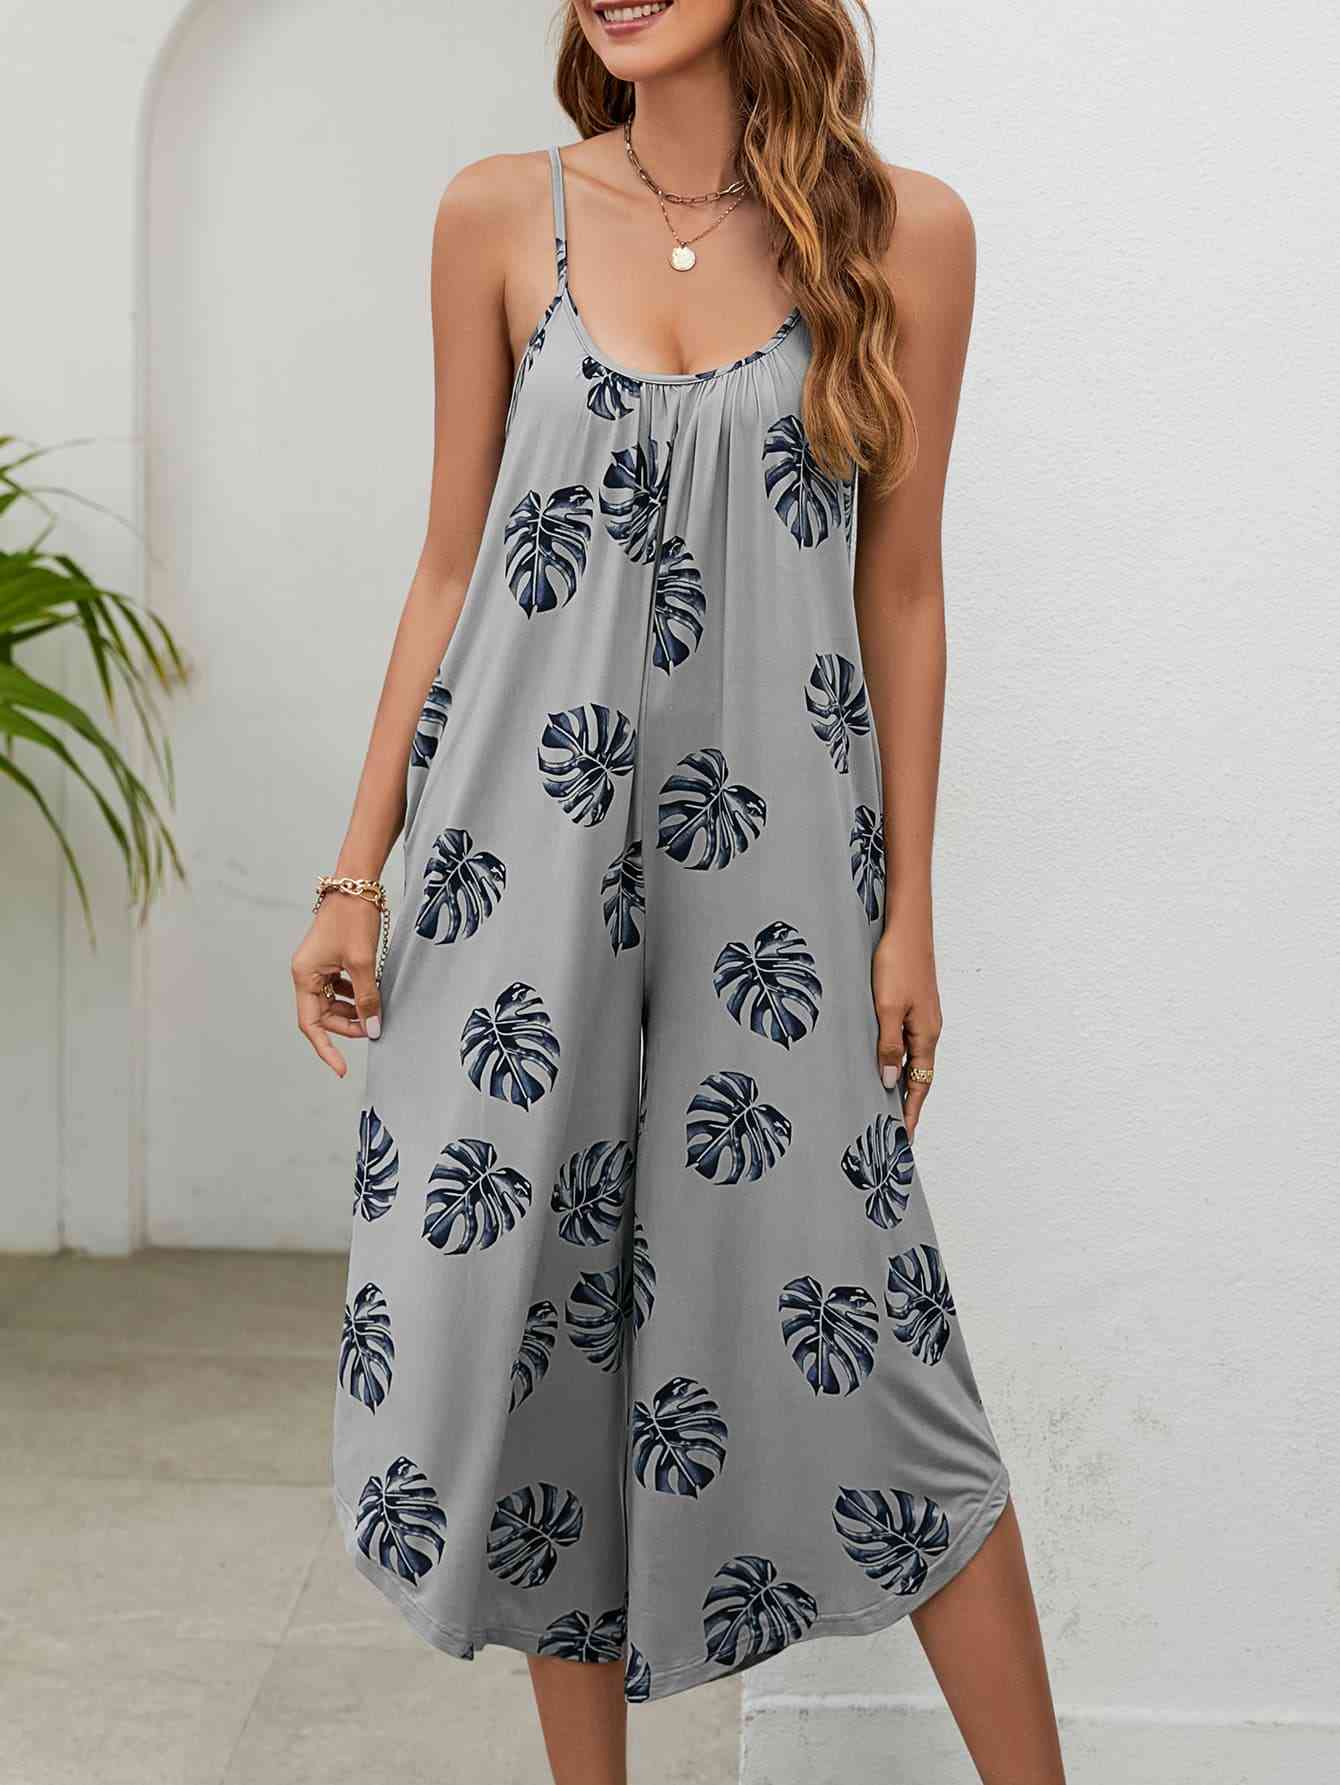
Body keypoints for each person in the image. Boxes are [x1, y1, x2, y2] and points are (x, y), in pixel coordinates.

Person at [291, 3, 1065, 1780]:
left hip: (775, 889)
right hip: (512, 867)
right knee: (543, 1339)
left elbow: (905, 593)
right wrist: (355, 872)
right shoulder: (502, 215)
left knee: (879, 1340)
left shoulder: (906, 235)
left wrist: (908, 914)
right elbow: (448, 566)